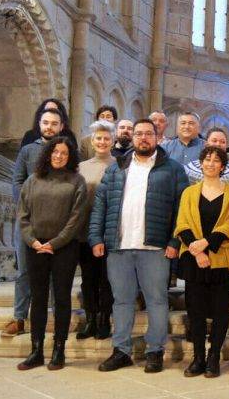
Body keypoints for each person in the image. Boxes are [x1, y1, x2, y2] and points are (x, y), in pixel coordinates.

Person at [90, 119, 189, 373]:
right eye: (139, 133)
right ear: (132, 137)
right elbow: (100, 204)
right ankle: (121, 350)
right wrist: (96, 237)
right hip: (119, 246)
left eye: (148, 134)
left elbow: (182, 209)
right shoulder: (116, 168)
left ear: (157, 137)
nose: (143, 138)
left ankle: (155, 351)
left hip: (155, 248)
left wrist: (174, 241)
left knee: (157, 300)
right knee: (122, 301)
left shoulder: (173, 169)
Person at [16, 137, 87, 370]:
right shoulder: (32, 180)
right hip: (35, 246)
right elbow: (23, 215)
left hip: (64, 247)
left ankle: (59, 350)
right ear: (47, 153)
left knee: (62, 298)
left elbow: (76, 219)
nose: (58, 156)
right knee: (38, 299)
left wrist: (55, 243)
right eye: (55, 152)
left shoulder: (77, 181)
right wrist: (33, 241)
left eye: (64, 153)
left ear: (70, 157)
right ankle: (36, 350)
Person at [175, 146, 229, 378]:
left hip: (221, 259)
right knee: (196, 312)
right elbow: (182, 224)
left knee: (220, 311)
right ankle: (198, 357)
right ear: (201, 164)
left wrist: (206, 245)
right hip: (194, 260)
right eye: (207, 159)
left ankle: (214, 357)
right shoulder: (189, 193)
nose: (211, 163)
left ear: (223, 166)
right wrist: (198, 250)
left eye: (216, 160)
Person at [3, 105, 67, 338]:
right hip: (28, 222)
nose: (49, 127)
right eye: (45, 123)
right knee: (25, 272)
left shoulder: (66, 151)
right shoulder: (28, 151)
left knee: (53, 272)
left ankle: (47, 316)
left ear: (62, 126)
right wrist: (29, 208)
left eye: (54, 123)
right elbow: (17, 182)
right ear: (39, 125)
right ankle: (19, 317)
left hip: (56, 223)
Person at [76, 121, 116, 341]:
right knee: (88, 278)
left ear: (113, 141)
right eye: (98, 138)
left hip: (108, 232)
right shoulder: (81, 167)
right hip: (84, 231)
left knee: (106, 279)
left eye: (106, 138)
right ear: (92, 141)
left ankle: (104, 320)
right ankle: (90, 319)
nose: (102, 142)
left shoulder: (120, 166)